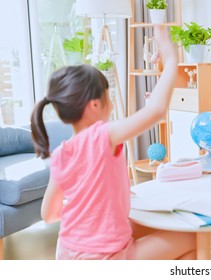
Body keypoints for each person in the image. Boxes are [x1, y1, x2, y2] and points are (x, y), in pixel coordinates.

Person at [31, 26, 196, 260]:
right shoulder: (102, 135)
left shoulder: (61, 153)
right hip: (104, 259)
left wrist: (91, 206)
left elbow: (48, 214)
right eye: (108, 95)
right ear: (95, 105)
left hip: (67, 255)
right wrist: (170, 60)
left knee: (149, 230)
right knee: (191, 239)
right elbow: (156, 110)